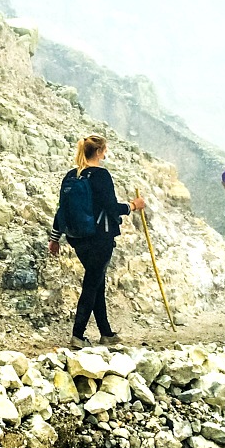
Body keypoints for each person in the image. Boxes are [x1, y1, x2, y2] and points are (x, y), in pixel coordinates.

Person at [48, 135, 145, 349]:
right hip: (100, 237)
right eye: (105, 150)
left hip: (76, 238)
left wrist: (54, 238)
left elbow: (61, 209)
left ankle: (106, 333)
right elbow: (111, 208)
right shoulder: (101, 175)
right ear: (100, 152)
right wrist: (133, 205)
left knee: (97, 281)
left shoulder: (71, 176)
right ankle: (77, 335)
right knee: (92, 283)